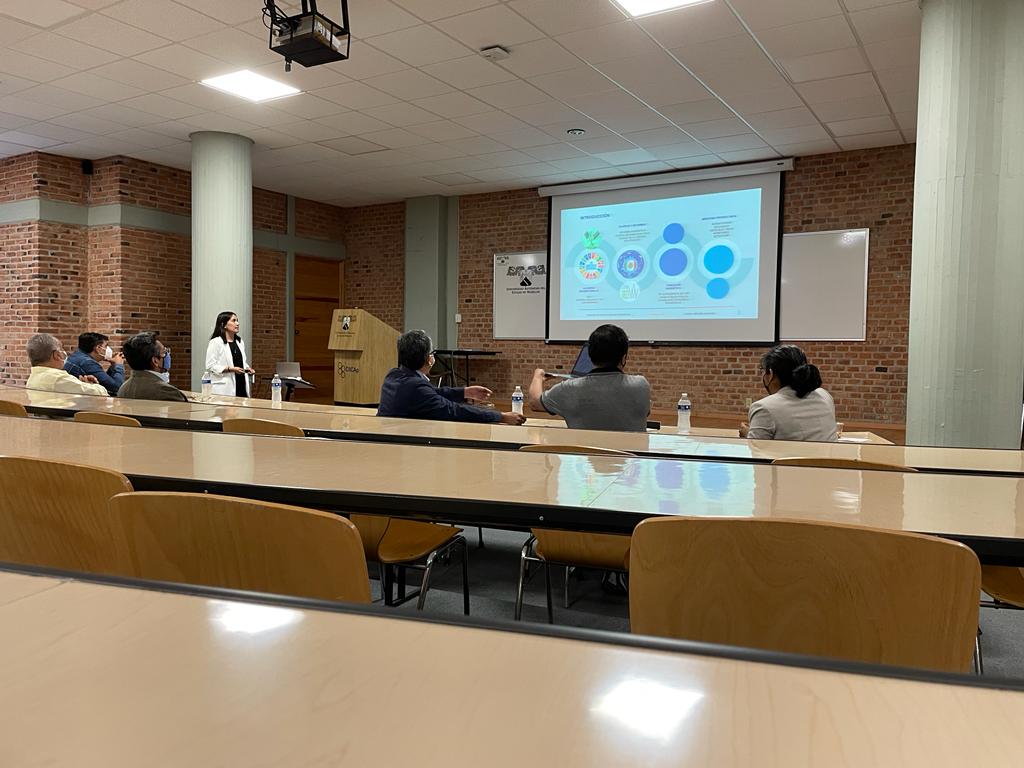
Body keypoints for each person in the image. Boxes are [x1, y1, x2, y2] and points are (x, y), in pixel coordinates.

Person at [378, 330, 526, 425]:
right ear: (428, 359)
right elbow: (454, 410)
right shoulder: (416, 387)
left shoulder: (393, 375)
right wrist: (501, 416)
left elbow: (431, 393)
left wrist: (465, 392)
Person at [527, 324, 650, 432]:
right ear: (623, 358)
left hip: (584, 451)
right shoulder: (641, 385)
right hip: (629, 452)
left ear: (590, 356)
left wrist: (538, 377)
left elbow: (535, 403)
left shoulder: (570, 388)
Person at [740, 344, 838, 441]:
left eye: (762, 370)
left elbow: (755, 448)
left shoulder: (764, 408)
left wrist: (747, 435)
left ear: (770, 374)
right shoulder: (824, 395)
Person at [25, 333, 108, 396]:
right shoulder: (58, 378)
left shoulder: (34, 376)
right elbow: (99, 393)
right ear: (57, 355)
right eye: (61, 349)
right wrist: (94, 385)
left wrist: (84, 384)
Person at [118, 332, 187, 402]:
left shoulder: (123, 389)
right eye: (164, 352)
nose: (167, 354)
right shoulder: (168, 392)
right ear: (155, 361)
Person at [205, 311, 254, 397]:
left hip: (241, 385)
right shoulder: (216, 342)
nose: (237, 323)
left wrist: (247, 368)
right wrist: (230, 369)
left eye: (237, 321)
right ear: (224, 325)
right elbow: (210, 366)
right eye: (234, 321)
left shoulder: (240, 342)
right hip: (224, 388)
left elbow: (241, 361)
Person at [64, 332, 125, 397]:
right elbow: (117, 387)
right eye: (106, 346)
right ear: (98, 348)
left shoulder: (77, 356)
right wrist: (119, 365)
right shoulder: (87, 363)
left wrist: (113, 365)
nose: (108, 349)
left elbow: (106, 382)